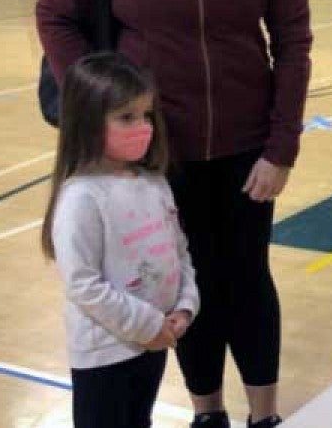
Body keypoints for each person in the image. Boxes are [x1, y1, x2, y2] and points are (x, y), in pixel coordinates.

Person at [36, 0, 313, 428]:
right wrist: (102, 107)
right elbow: (56, 14)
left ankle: (265, 415)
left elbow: (294, 39)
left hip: (248, 145)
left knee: (245, 275)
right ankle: (207, 411)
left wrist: (282, 144)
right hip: (156, 149)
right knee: (183, 284)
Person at [43, 53, 198, 428]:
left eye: (146, 115)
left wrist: (185, 306)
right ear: (89, 122)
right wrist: (148, 327)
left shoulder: (154, 183)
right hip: (106, 353)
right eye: (127, 117)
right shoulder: (82, 198)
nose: (143, 127)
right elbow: (83, 284)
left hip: (154, 342)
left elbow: (179, 252)